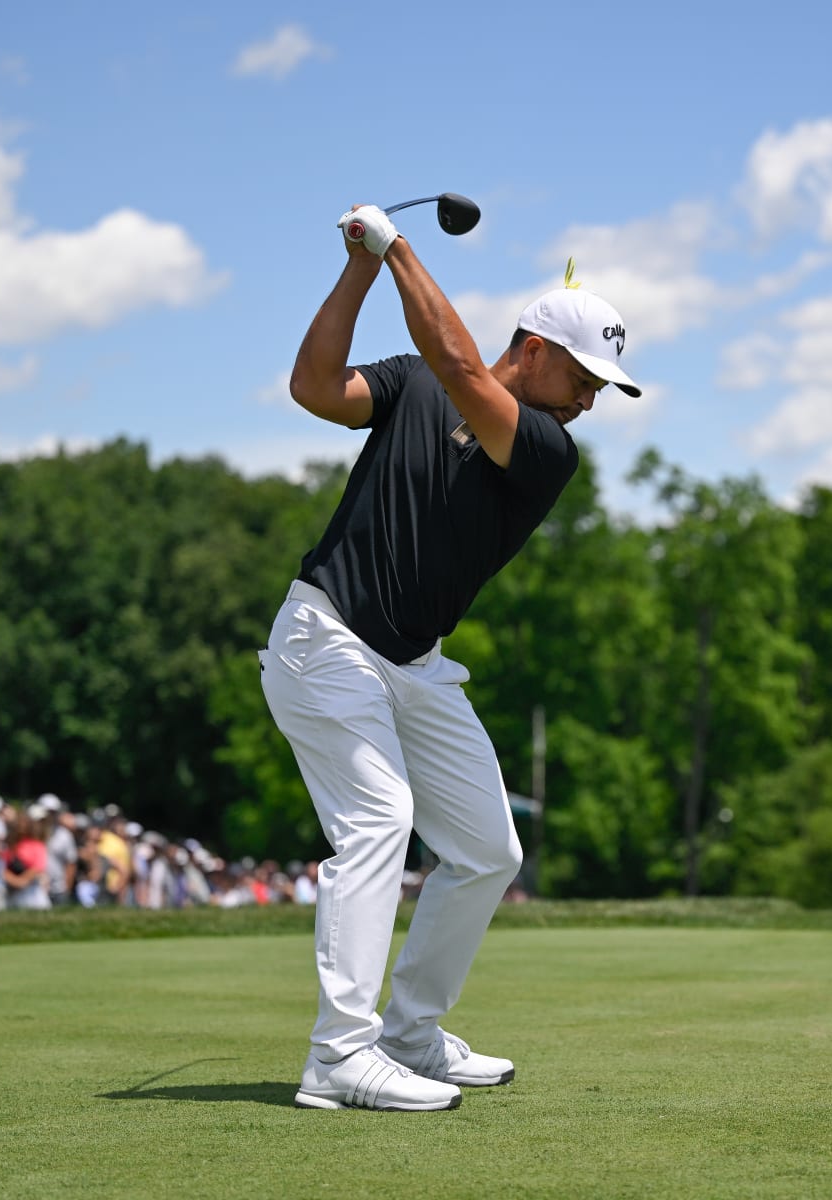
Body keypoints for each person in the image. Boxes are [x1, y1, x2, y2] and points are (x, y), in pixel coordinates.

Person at [260, 202, 638, 1112]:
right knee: (380, 820)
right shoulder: (414, 385)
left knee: (486, 849)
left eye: (602, 386)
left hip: (415, 666)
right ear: (537, 347)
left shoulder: (546, 450)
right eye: (585, 376)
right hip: (327, 638)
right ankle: (340, 1057)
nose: (591, 400)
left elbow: (462, 365)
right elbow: (315, 389)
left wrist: (398, 248)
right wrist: (360, 267)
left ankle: (409, 1034)